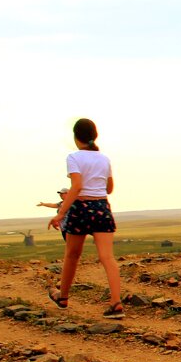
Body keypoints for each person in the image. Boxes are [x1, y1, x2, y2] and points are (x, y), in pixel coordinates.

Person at [46, 119, 123, 317]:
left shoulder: (73, 157)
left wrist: (61, 213)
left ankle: (62, 297)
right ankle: (116, 303)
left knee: (72, 255)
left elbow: (77, 186)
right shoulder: (104, 159)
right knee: (107, 257)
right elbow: (109, 188)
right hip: (101, 206)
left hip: (80, 208)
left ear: (75, 136)